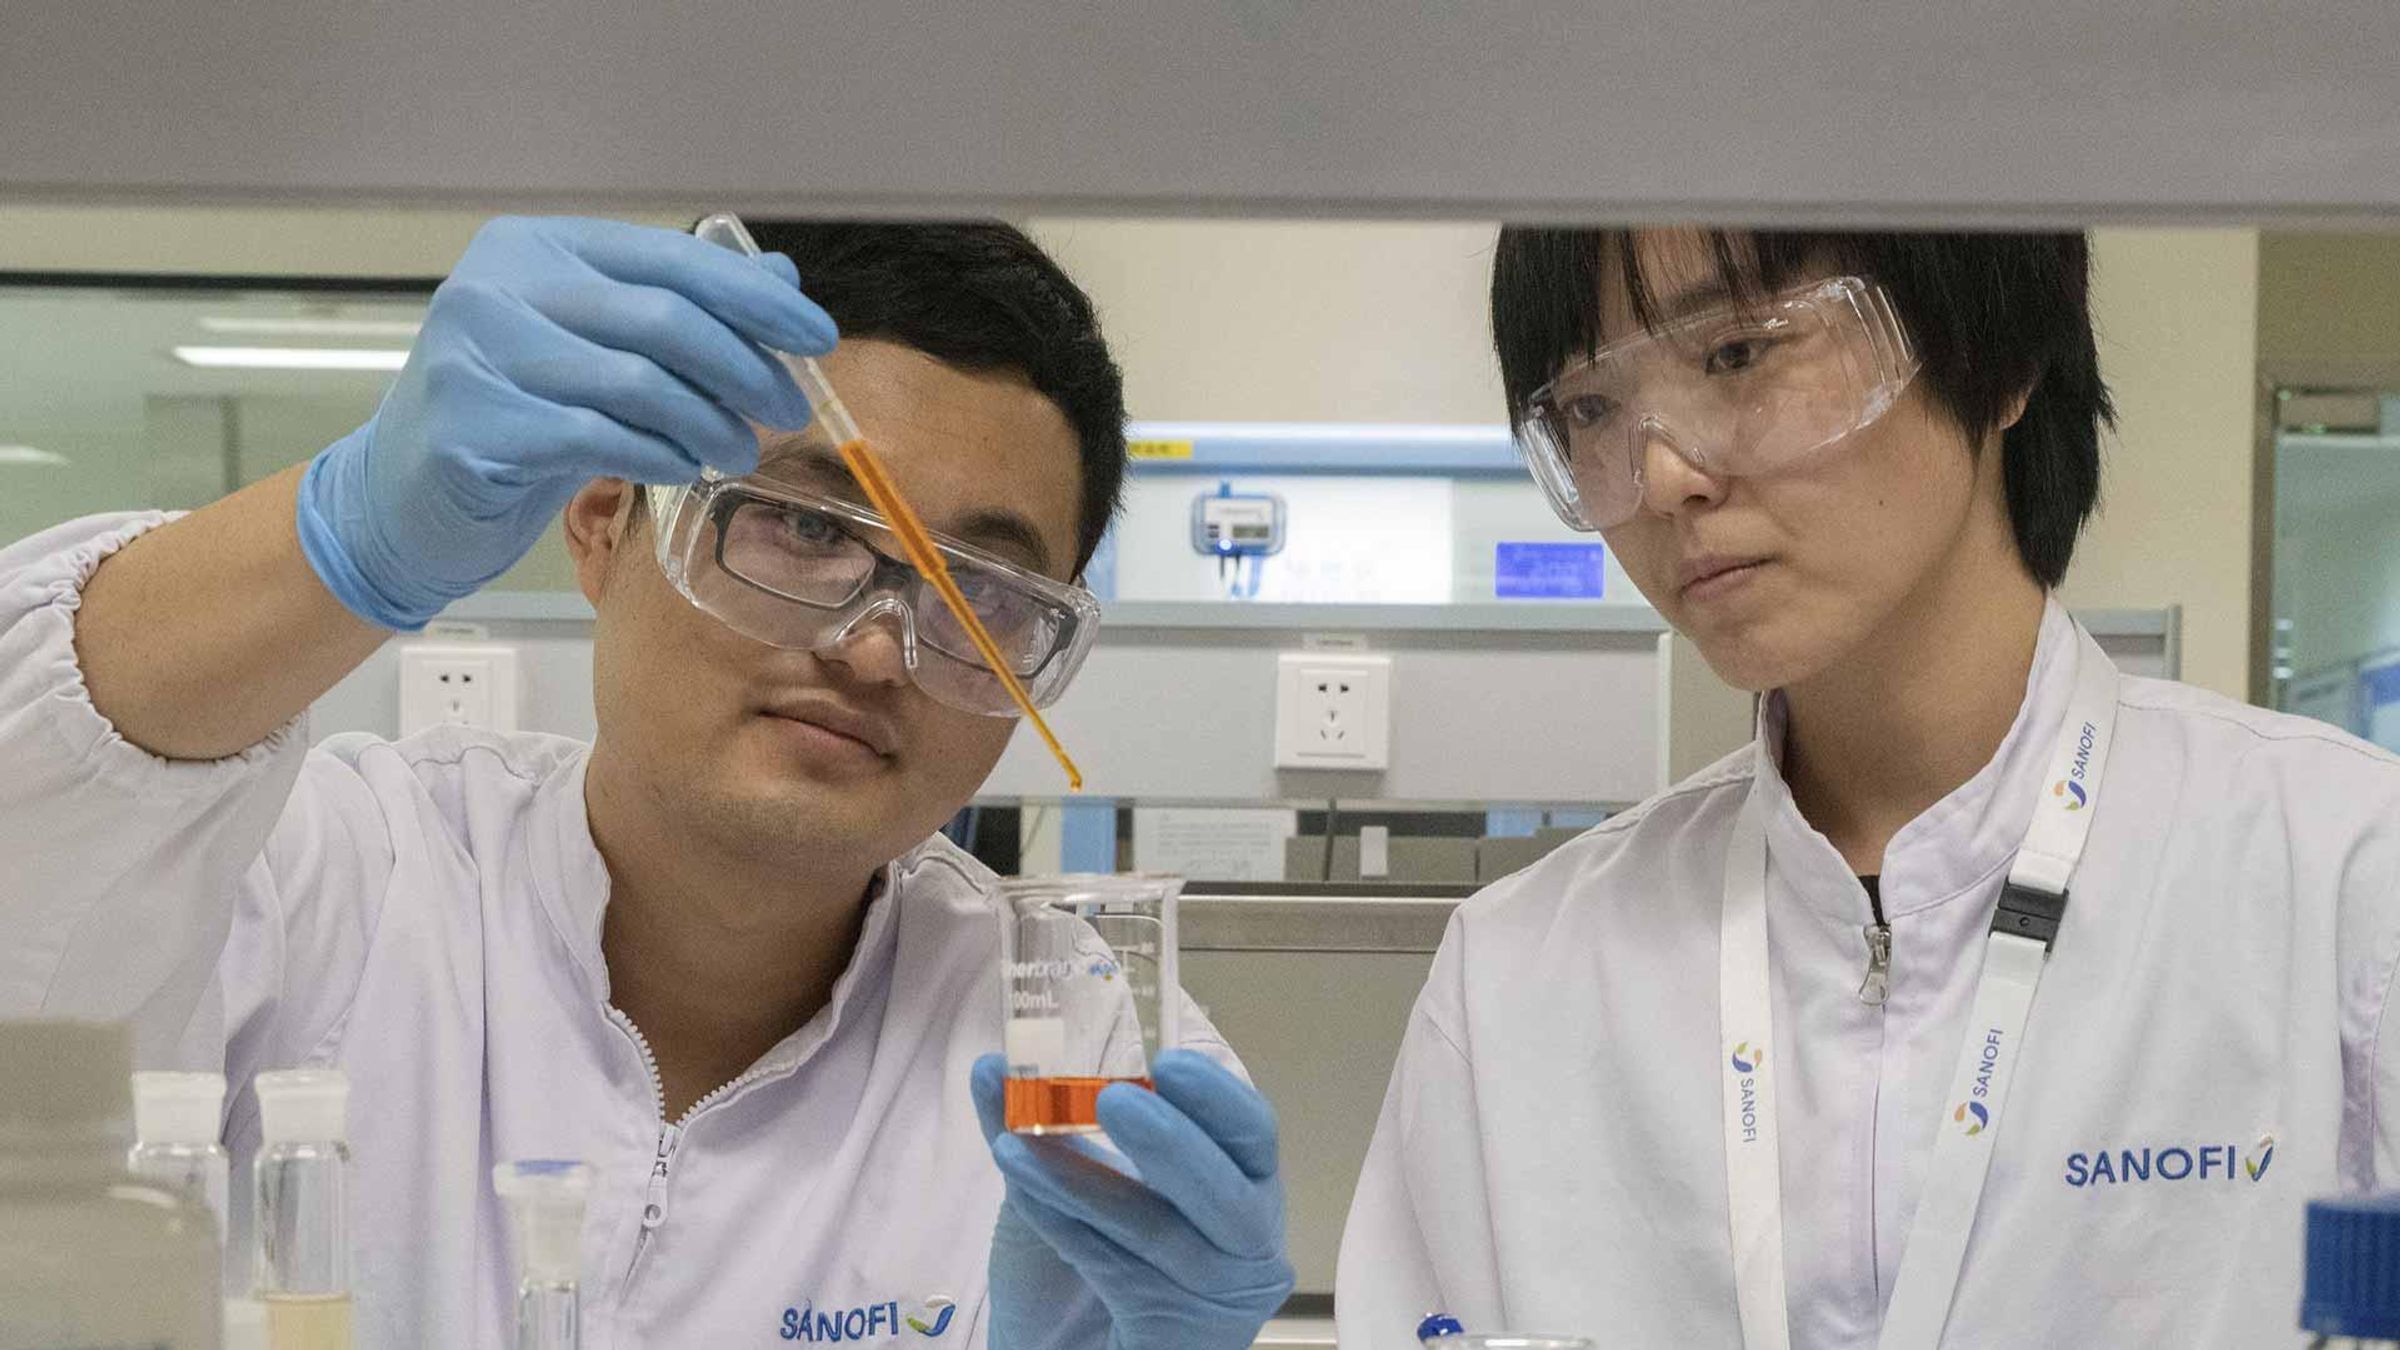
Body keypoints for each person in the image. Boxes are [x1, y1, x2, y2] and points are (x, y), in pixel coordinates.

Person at [0, 215, 1292, 1348]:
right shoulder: (333, 875)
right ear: (605, 519)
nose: (878, 644)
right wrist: (343, 539)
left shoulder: (1074, 1040)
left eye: (983, 594)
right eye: (802, 524)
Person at [1337, 226, 2400, 1348]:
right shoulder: (1519, 974)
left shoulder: (2344, 880)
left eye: (1739, 354)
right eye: (1593, 411)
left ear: (1998, 357)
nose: (1660, 478)